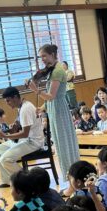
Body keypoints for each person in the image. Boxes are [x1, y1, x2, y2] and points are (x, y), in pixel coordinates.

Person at [29, 44, 79, 183]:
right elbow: (53, 97)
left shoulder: (57, 71)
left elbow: (52, 95)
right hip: (54, 108)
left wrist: (35, 90)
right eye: (41, 57)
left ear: (52, 54)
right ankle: (71, 176)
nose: (42, 59)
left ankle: (72, 176)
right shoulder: (52, 70)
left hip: (59, 110)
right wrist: (42, 108)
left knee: (63, 144)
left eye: (44, 56)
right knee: (60, 143)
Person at [0, 87, 44, 188]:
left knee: (5, 159)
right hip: (26, 140)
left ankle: (28, 179)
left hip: (33, 142)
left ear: (15, 97)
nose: (7, 103)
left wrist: (6, 135)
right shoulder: (22, 106)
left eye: (8, 100)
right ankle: (7, 180)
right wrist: (11, 129)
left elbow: (25, 133)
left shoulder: (25, 109)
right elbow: (22, 129)